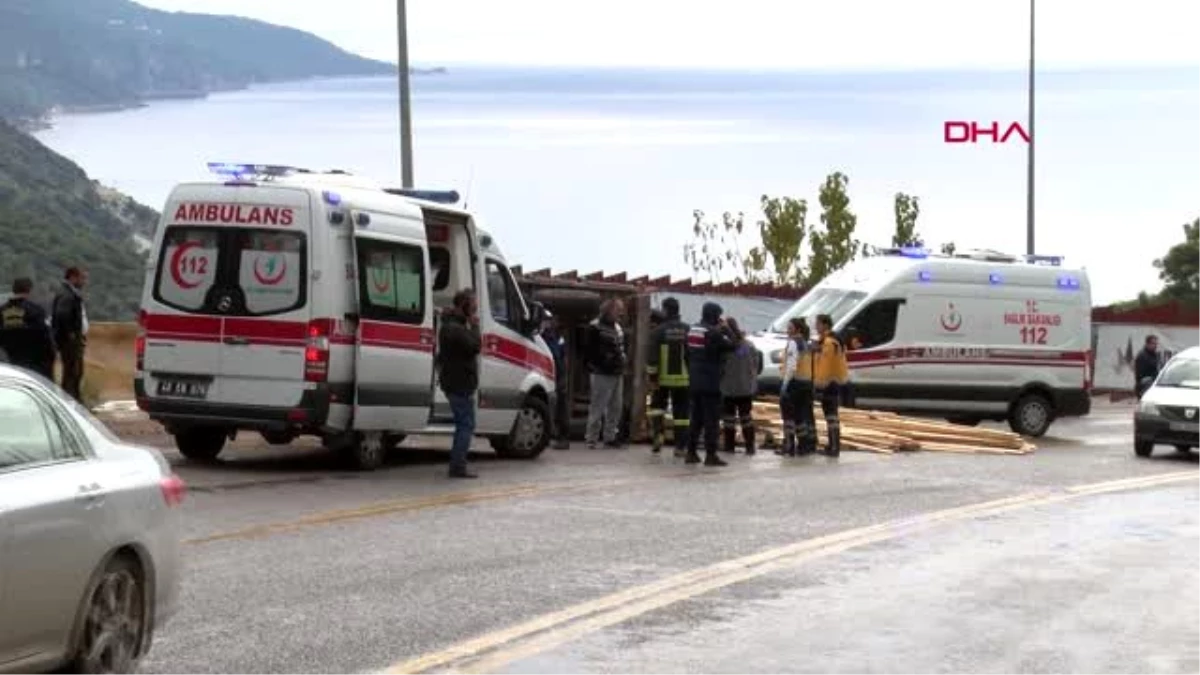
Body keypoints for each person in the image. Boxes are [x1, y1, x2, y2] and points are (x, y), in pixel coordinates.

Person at [437, 289, 482, 478]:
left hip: (455, 382)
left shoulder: (451, 325)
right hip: (459, 383)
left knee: (463, 424)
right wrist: (475, 327)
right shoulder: (455, 329)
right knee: (466, 425)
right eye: (472, 305)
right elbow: (474, 346)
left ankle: (457, 464)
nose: (474, 309)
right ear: (464, 305)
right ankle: (458, 466)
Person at [685, 302, 734, 466]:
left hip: (694, 379)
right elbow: (734, 347)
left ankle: (690, 452)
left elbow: (687, 354)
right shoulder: (713, 333)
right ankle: (711, 455)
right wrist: (728, 330)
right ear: (714, 315)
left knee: (696, 418)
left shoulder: (693, 329)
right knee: (711, 420)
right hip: (710, 381)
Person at [646, 298, 690, 456]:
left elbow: (652, 357)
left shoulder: (658, 331)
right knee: (682, 414)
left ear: (665, 310)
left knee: (657, 408)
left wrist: (652, 377)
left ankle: (658, 435)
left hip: (661, 379)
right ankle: (680, 446)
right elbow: (691, 355)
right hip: (683, 378)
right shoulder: (687, 330)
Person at [584, 298, 627, 448]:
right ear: (609, 310)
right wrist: (601, 361)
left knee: (616, 406)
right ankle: (591, 437)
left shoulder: (618, 328)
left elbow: (621, 348)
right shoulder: (595, 327)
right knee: (598, 405)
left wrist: (621, 361)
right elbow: (588, 350)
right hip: (601, 372)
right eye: (618, 309)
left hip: (616, 372)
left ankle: (610, 436)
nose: (620, 313)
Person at [720, 317, 761, 454]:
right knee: (746, 418)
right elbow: (757, 365)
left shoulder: (726, 347)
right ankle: (750, 447)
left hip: (728, 388)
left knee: (729, 419)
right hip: (746, 388)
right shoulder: (749, 345)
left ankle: (729, 446)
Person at [0, 278, 55, 378]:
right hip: (34, 363)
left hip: (9, 361)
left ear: (13, 290)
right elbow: (45, 338)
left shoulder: (2, 311)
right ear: (29, 290)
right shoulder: (35, 310)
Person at [777, 317, 816, 457]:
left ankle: (789, 446)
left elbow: (792, 366)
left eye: (790, 327)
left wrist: (785, 385)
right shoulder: (806, 343)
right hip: (805, 383)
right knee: (800, 416)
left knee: (788, 416)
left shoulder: (793, 343)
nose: (787, 330)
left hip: (794, 383)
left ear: (797, 329)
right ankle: (803, 446)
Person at [813, 313, 849, 457]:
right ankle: (833, 446)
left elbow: (826, 365)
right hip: (834, 382)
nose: (816, 326)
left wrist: (819, 384)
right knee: (831, 416)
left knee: (831, 416)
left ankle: (834, 447)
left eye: (818, 323)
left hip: (829, 383)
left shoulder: (829, 342)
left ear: (825, 325)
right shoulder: (831, 340)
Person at [52, 267, 88, 401]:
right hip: (70, 342)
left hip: (74, 340)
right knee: (72, 372)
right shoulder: (67, 294)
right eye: (82, 278)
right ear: (73, 277)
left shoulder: (70, 293)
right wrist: (71, 334)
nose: (84, 281)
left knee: (76, 372)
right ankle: (69, 402)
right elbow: (62, 315)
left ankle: (75, 401)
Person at [542, 311, 571, 450]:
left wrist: (564, 375)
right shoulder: (542, 336)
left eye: (553, 320)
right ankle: (549, 436)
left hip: (557, 374)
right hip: (546, 373)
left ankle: (563, 437)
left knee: (561, 406)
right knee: (551, 405)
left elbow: (563, 356)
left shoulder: (558, 337)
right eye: (549, 320)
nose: (551, 323)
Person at [1134, 334, 1161, 399]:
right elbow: (1140, 376)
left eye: (1156, 344)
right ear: (1147, 344)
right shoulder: (1142, 356)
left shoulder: (1154, 355)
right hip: (1145, 387)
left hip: (1153, 385)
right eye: (1153, 343)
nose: (1155, 346)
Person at [842, 328, 862, 408]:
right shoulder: (846, 350)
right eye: (855, 340)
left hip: (849, 378)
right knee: (848, 398)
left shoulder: (844, 348)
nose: (857, 343)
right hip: (848, 379)